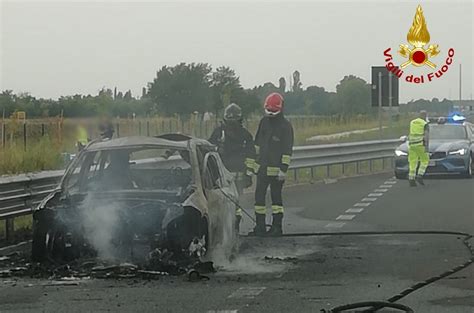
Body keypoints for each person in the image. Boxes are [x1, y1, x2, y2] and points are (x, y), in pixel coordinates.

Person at [250, 93, 294, 236]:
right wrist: (252, 165)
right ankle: (260, 227)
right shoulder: (263, 122)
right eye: (268, 110)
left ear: (280, 109)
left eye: (273, 111)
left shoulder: (285, 126)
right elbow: (257, 144)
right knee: (259, 199)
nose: (271, 113)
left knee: (276, 201)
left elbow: (287, 150)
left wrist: (283, 169)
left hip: (276, 173)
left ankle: (277, 227)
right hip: (262, 170)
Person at [209, 103, 256, 232]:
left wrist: (249, 172)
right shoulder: (219, 133)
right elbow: (209, 149)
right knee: (226, 202)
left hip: (233, 177)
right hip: (222, 176)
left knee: (235, 203)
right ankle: (226, 229)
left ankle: (232, 228)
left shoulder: (244, 135)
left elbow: (251, 155)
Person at [408, 110, 430, 187]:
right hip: (420, 145)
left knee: (412, 161)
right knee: (425, 160)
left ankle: (411, 178)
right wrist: (426, 146)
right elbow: (426, 135)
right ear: (425, 116)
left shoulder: (412, 122)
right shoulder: (425, 124)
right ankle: (420, 175)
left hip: (411, 145)